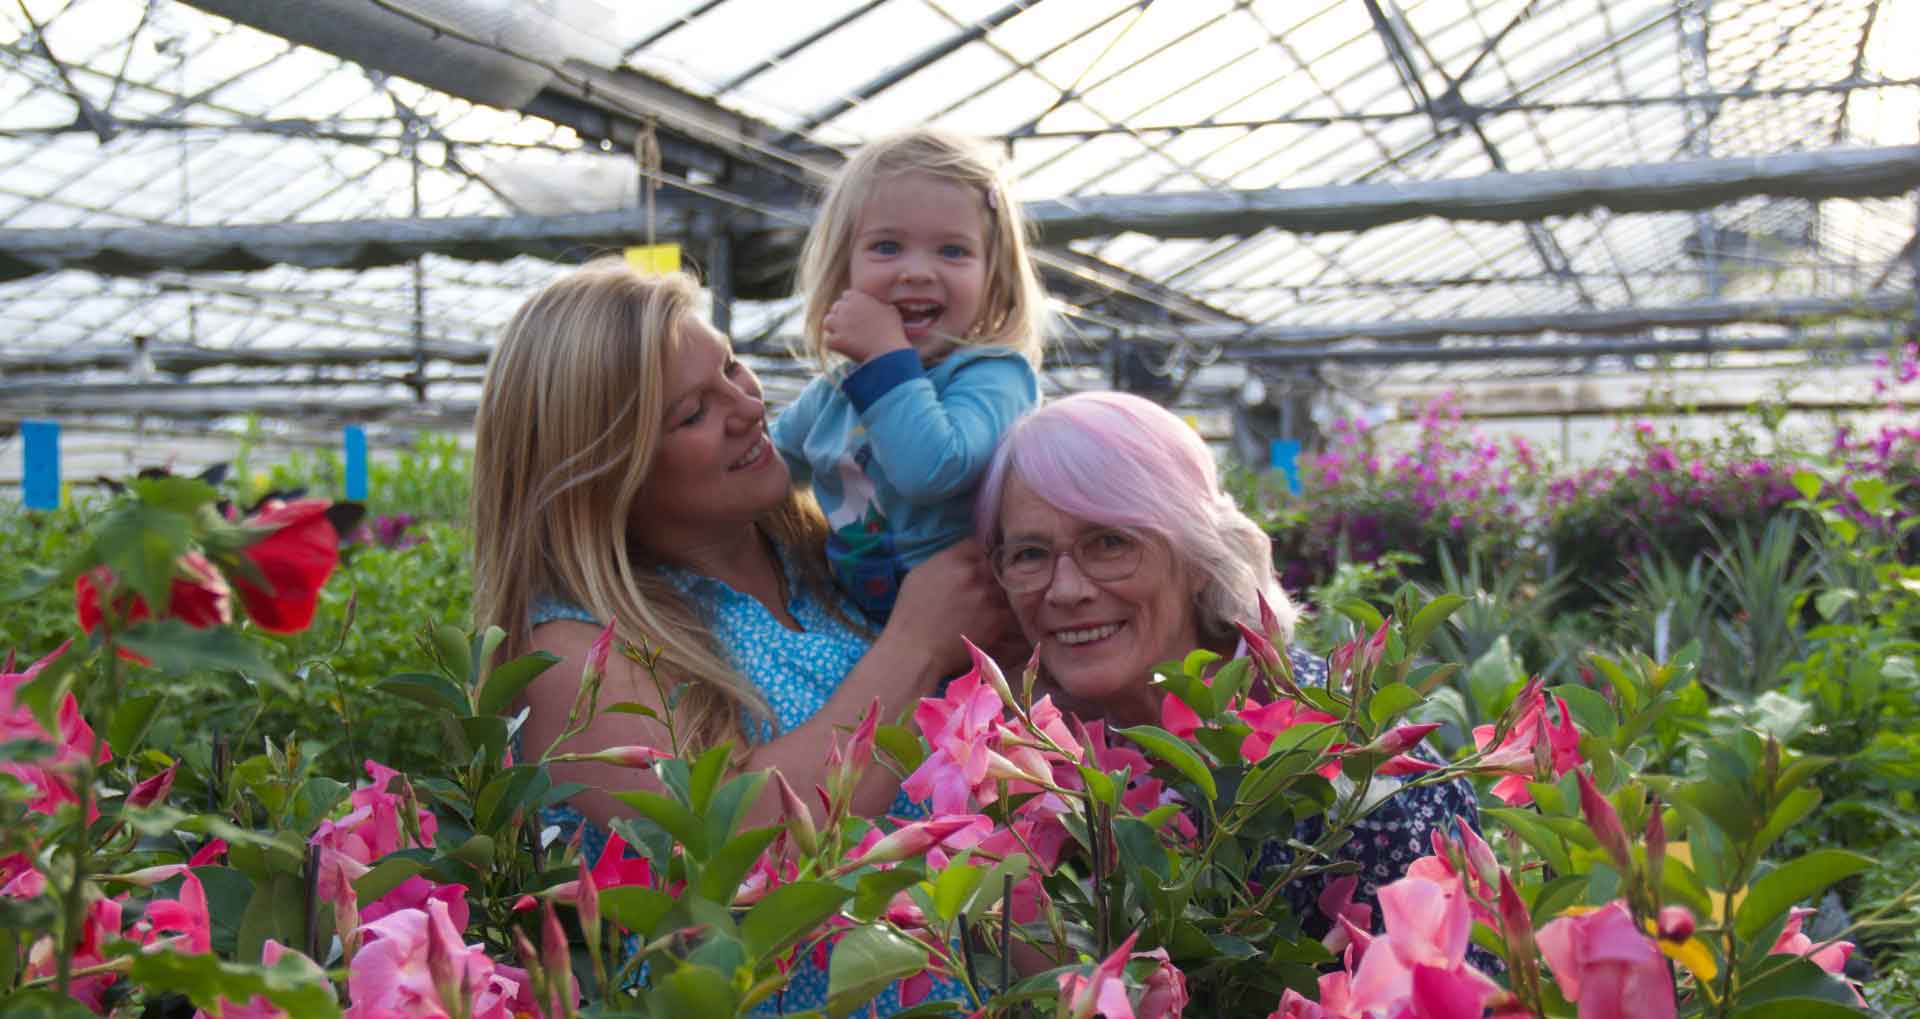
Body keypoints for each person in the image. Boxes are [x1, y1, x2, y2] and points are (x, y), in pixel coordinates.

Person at [469, 264, 1011, 1015]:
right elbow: (732, 858)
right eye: (693, 411)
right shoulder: (570, 652)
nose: (748, 404)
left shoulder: (830, 556)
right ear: (602, 467)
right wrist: (913, 647)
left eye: (731, 365)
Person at [972, 391, 1483, 932]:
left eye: (1110, 543)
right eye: (1030, 554)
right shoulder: (1026, 758)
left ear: (1198, 558)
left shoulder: (1363, 778)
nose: (1066, 590)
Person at [773, 128, 1047, 623]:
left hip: (979, 645)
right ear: (843, 270)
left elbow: (931, 470)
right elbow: (765, 474)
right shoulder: (832, 396)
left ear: (993, 279)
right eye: (887, 247)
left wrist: (885, 359)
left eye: (952, 251)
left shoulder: (994, 378)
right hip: (864, 634)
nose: (917, 271)